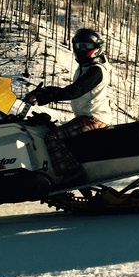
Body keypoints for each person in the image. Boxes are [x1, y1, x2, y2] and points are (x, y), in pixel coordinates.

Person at [24, 28, 114, 186]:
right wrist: (44, 92)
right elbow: (73, 90)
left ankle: (72, 173)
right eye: (78, 46)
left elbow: (74, 91)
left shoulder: (96, 71)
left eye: (85, 46)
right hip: (86, 117)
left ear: (97, 47)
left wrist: (47, 95)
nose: (81, 50)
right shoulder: (85, 68)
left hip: (94, 118)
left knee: (52, 137)